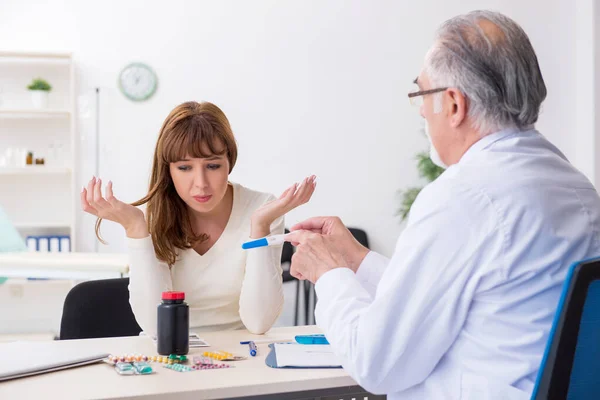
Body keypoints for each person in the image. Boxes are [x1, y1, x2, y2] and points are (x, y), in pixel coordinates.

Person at [286, 10, 600, 400]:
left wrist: (327, 274)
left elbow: (376, 363)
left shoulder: (464, 197)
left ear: (453, 104)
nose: (420, 110)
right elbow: (446, 298)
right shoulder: (575, 185)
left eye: (421, 93)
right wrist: (354, 258)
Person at [81, 101, 316, 336]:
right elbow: (154, 325)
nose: (201, 184)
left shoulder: (261, 209)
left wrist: (260, 227)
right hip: (171, 353)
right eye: (184, 168)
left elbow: (258, 322)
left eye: (213, 166)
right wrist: (135, 227)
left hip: (242, 357)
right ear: (168, 170)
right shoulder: (156, 215)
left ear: (229, 164)